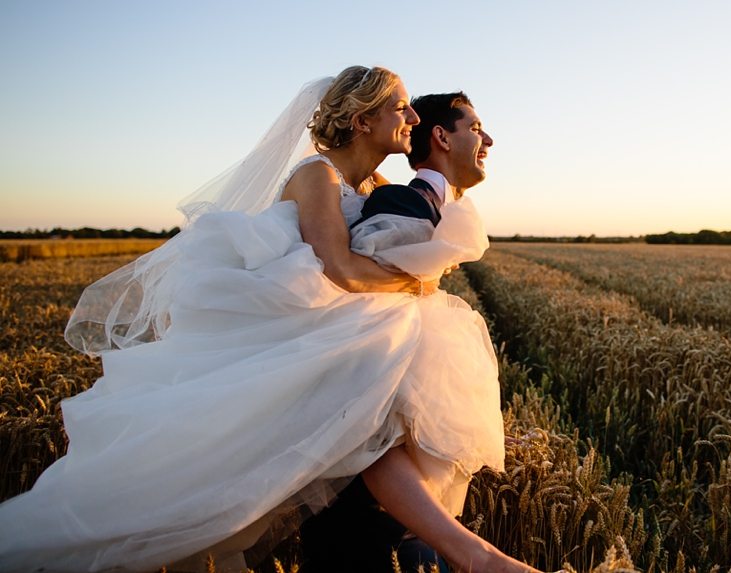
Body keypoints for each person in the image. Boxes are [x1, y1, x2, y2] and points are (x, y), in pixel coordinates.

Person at [0, 66, 539, 573]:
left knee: (378, 410)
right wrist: (417, 284)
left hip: (332, 319)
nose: (413, 119)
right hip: (291, 315)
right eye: (401, 108)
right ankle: (469, 553)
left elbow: (385, 247)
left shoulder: (377, 188)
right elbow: (341, 268)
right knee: (354, 409)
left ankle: (441, 543)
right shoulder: (316, 176)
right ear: (363, 120)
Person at [299, 91, 501, 572]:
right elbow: (363, 317)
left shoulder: (415, 198)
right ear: (440, 137)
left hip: (394, 487)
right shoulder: (402, 201)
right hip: (363, 494)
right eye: (475, 128)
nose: (488, 139)